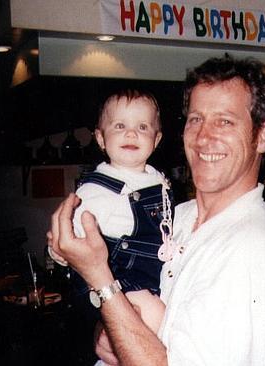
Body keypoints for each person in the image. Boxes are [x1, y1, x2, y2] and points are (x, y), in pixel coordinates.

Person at [49, 55, 265, 366]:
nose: (205, 136)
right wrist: (109, 329)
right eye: (196, 119)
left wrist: (100, 279)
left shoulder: (249, 245)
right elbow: (133, 324)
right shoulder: (175, 217)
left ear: (262, 136)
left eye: (225, 121)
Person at [48, 89, 175, 338]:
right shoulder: (97, 188)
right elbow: (67, 231)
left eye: (142, 127)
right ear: (101, 138)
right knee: (157, 320)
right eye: (119, 126)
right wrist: (59, 251)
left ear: (156, 140)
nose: (131, 133)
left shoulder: (156, 179)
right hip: (118, 279)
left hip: (150, 278)